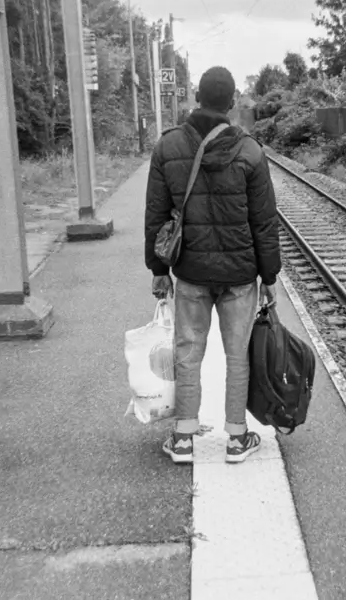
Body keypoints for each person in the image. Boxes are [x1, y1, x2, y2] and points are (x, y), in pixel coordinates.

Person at [144, 66, 281, 465]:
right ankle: (237, 438)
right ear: (233, 100)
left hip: (190, 271)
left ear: (196, 98)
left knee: (188, 351)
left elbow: (155, 215)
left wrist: (158, 269)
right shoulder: (251, 150)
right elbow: (264, 221)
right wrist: (269, 276)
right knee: (238, 354)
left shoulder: (168, 147)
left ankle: (184, 437)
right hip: (240, 274)